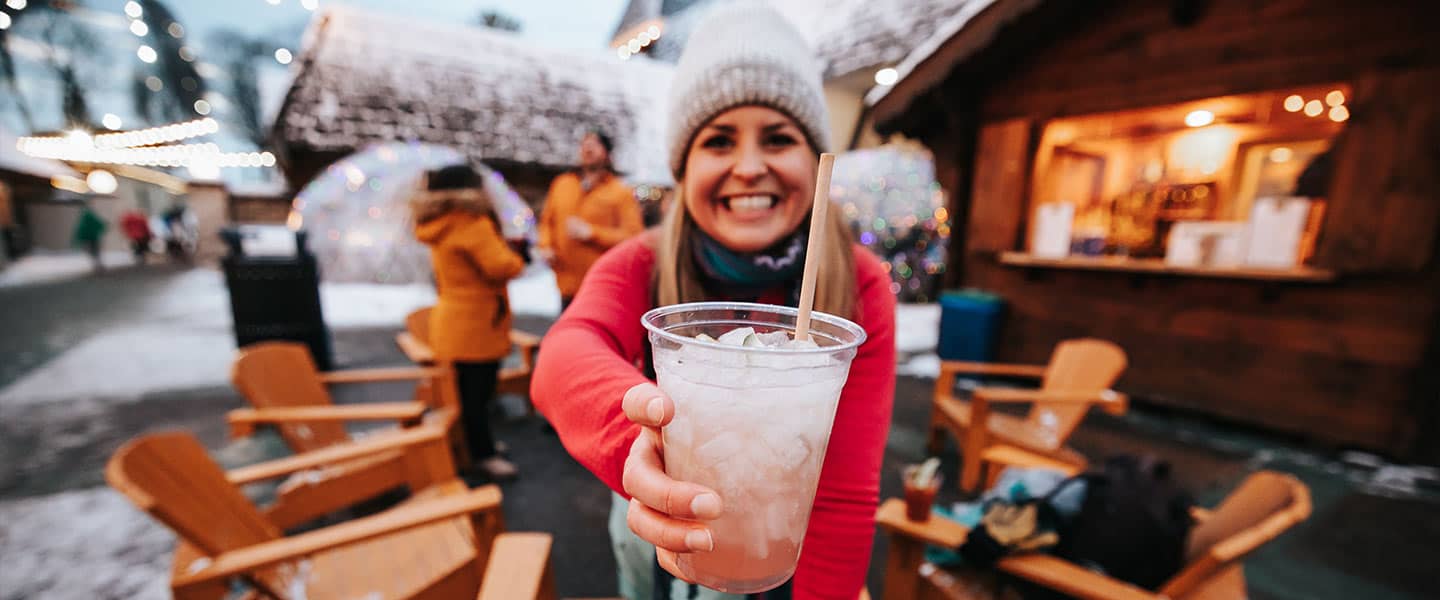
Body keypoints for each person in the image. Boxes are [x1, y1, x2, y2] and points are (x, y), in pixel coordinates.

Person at [531, 3, 896, 598]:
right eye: (719, 141)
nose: (749, 167)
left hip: (783, 549)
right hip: (653, 529)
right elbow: (563, 356)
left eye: (778, 138)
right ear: (684, 164)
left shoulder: (857, 283)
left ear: (814, 159)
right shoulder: (640, 261)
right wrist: (635, 443)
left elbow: (845, 490)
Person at [412, 164, 528, 481]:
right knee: (478, 395)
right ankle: (483, 455)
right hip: (475, 324)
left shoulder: (438, 224)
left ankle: (478, 447)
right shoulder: (471, 224)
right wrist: (520, 257)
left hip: (453, 319)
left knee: (468, 395)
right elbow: (501, 266)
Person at [537, 129, 644, 309]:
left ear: (607, 154)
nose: (588, 148)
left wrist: (592, 233)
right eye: (584, 143)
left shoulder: (620, 192)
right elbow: (547, 221)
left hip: (600, 287)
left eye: (595, 143)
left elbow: (633, 237)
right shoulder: (562, 183)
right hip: (565, 283)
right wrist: (545, 246)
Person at [73, 202, 107, 273]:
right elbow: (98, 224)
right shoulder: (89, 217)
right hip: (92, 238)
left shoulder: (84, 218)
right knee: (95, 252)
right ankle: (98, 265)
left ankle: (97, 265)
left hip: (90, 238)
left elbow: (81, 230)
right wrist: (104, 226)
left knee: (93, 252)